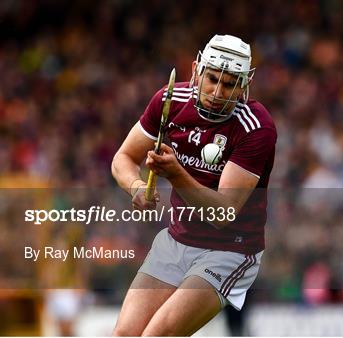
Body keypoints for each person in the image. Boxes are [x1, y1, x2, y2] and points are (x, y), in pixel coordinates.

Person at [111, 34, 277, 336]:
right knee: (124, 335)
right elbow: (123, 158)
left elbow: (223, 214)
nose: (217, 91)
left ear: (243, 86)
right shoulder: (169, 101)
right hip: (176, 240)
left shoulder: (256, 127)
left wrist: (176, 174)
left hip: (229, 250)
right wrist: (136, 187)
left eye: (229, 84)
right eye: (212, 79)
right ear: (196, 70)